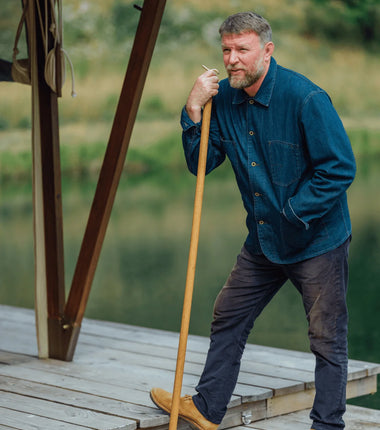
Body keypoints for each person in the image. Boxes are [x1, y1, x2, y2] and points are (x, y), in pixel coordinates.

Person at [150, 11, 356, 430]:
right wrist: (192, 110)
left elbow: (338, 168)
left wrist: (292, 213)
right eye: (226, 50)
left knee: (326, 341)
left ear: (267, 50)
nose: (232, 59)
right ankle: (207, 409)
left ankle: (328, 426)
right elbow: (202, 163)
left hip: (316, 241)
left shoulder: (306, 98)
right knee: (228, 315)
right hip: (262, 242)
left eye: (242, 49)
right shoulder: (222, 99)